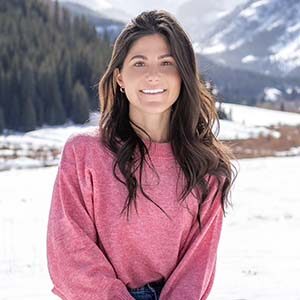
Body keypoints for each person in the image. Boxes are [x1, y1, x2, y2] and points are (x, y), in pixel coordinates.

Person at [46, 9, 237, 300]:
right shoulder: (84, 153)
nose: (152, 75)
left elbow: (197, 269)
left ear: (182, 75)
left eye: (166, 63)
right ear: (120, 77)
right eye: (139, 63)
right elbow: (68, 252)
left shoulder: (207, 168)